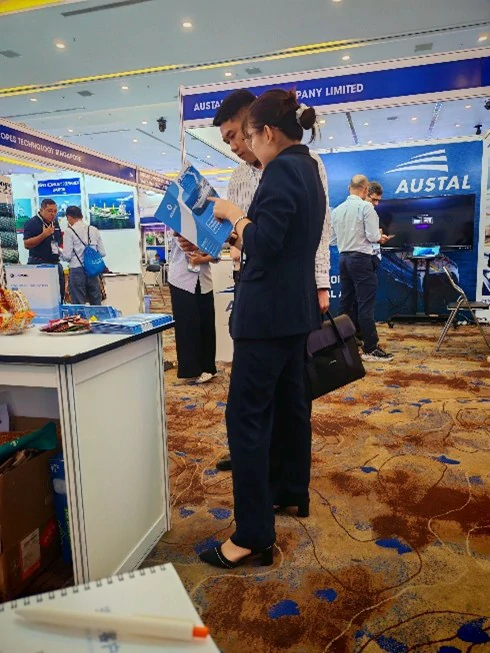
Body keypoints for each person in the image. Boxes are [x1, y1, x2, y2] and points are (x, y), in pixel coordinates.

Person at [198, 89, 325, 569]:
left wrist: (235, 215)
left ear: (267, 132)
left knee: (245, 419)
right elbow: (287, 241)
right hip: (292, 313)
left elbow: (267, 244)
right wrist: (235, 231)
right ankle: (291, 491)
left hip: (267, 316)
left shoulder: (280, 171)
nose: (245, 146)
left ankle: (252, 535)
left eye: (247, 136)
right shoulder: (307, 166)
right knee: (290, 405)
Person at [210, 88, 332, 472]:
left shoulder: (285, 166)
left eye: (238, 135)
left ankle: (261, 494)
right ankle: (280, 482)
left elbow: (300, 235)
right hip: (272, 296)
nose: (237, 145)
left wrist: (320, 283)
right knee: (281, 397)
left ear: (260, 127)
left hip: (272, 305)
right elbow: (253, 239)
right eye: (229, 140)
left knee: (259, 406)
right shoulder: (281, 167)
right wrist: (220, 239)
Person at [331, 175, 393, 362]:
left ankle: (342, 343)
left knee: (346, 303)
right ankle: (371, 348)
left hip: (343, 258)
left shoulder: (337, 210)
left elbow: (333, 240)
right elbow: (373, 236)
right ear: (366, 190)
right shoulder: (366, 208)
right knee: (365, 305)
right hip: (361, 259)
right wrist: (381, 237)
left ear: (349, 187)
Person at [168, 236, 218, 384]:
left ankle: (208, 367)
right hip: (181, 280)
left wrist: (207, 254)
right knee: (187, 325)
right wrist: (209, 246)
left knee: (207, 322)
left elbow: (217, 254)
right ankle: (191, 369)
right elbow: (188, 246)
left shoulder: (210, 224)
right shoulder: (178, 223)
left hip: (204, 279)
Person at [62, 206, 106, 305]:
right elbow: (102, 253)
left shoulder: (69, 232)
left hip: (76, 270)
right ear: (81, 216)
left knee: (79, 304)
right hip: (93, 271)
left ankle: (81, 316)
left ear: (69, 217)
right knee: (96, 303)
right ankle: (97, 316)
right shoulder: (93, 229)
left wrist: (59, 253)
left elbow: (67, 256)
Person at [23, 198, 65, 302]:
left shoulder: (55, 222)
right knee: (43, 299)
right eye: (50, 211)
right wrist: (43, 235)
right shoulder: (32, 223)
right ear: (41, 210)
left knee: (59, 296)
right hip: (39, 264)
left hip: (55, 263)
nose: (53, 214)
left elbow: (58, 239)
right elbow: (26, 244)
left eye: (55, 211)